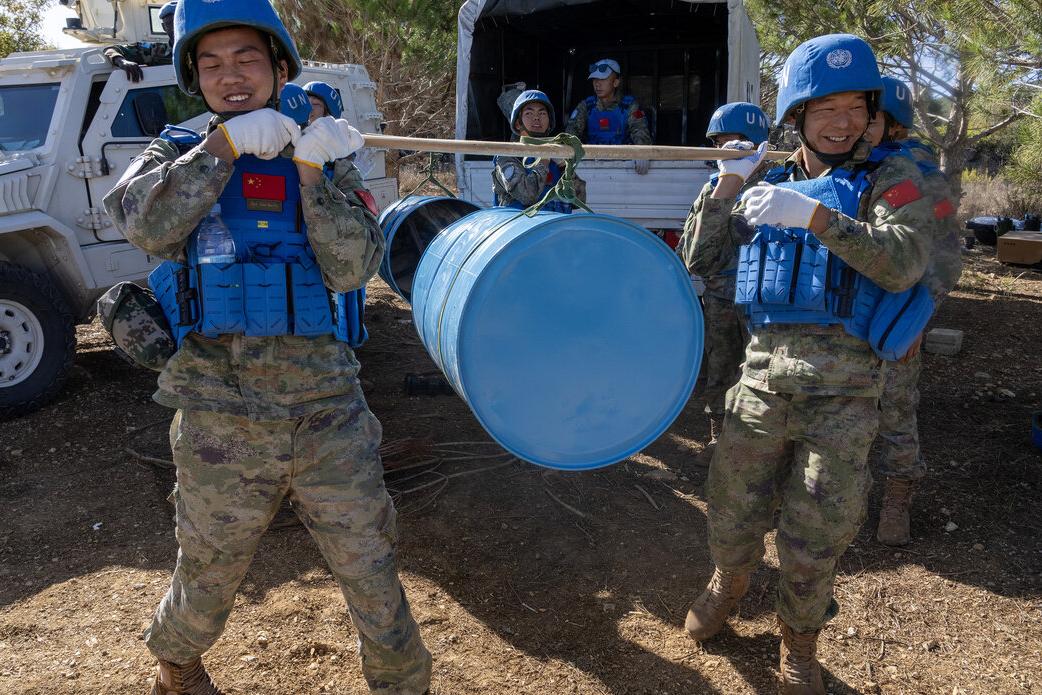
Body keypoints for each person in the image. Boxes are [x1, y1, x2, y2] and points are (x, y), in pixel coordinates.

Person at [101, 1, 431, 693]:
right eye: (211, 64)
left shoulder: (324, 154)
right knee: (208, 569)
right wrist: (220, 150)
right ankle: (177, 666)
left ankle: (402, 684)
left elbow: (353, 268)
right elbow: (146, 225)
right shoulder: (174, 153)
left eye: (246, 58)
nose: (230, 76)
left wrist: (311, 172)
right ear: (196, 79)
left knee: (372, 566)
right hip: (220, 415)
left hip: (327, 409)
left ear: (280, 68)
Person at [681, 34, 941, 694]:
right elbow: (702, 262)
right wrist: (729, 182)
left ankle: (799, 641)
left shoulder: (889, 180)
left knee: (815, 533)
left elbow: (904, 262)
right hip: (761, 381)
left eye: (856, 107)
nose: (843, 122)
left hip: (845, 393)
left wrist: (819, 218)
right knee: (731, 508)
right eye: (826, 108)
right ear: (797, 115)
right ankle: (728, 580)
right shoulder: (766, 183)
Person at [866, 76, 963, 546]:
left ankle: (897, 497)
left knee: (896, 406)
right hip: (851, 308)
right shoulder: (851, 163)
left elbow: (946, 255)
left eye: (870, 117)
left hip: (897, 311)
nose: (857, 125)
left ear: (893, 125)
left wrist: (919, 316)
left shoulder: (919, 172)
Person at [679, 102, 772, 457]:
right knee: (720, 368)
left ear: (756, 143)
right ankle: (718, 436)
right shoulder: (712, 188)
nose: (723, 150)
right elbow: (696, 257)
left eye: (732, 142)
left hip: (764, 303)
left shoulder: (780, 185)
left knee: (763, 374)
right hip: (721, 296)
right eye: (718, 143)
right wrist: (723, 191)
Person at [492, 89, 585, 213]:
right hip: (521, 224)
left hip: (557, 223)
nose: (536, 118)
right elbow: (527, 195)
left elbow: (580, 199)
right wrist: (544, 160)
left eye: (542, 113)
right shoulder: (508, 156)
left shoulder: (557, 156)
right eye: (529, 113)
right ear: (518, 123)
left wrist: (564, 167)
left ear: (549, 122)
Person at [564, 58, 652, 175]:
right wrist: (567, 150)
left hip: (624, 168)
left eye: (603, 79)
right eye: (595, 79)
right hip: (591, 166)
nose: (597, 84)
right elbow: (571, 131)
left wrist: (642, 152)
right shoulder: (586, 106)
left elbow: (640, 130)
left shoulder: (630, 105)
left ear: (616, 82)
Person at [105, 1, 177, 82]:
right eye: (169, 24)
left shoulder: (190, 48)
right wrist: (122, 61)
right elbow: (112, 49)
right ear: (164, 27)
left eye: (177, 22)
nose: (174, 28)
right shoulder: (155, 50)